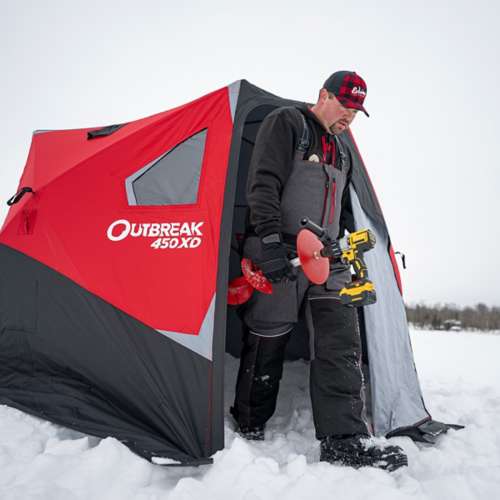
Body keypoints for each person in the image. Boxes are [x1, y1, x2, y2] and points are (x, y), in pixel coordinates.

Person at [230, 71, 408, 471]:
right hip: (282, 249)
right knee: (267, 336)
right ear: (323, 95)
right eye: (345, 106)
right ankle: (250, 422)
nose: (350, 117)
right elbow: (264, 182)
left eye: (356, 111)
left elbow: (344, 208)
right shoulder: (288, 123)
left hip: (326, 256)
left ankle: (344, 441)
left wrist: (350, 247)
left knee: (340, 340)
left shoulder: (342, 150)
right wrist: (272, 242)